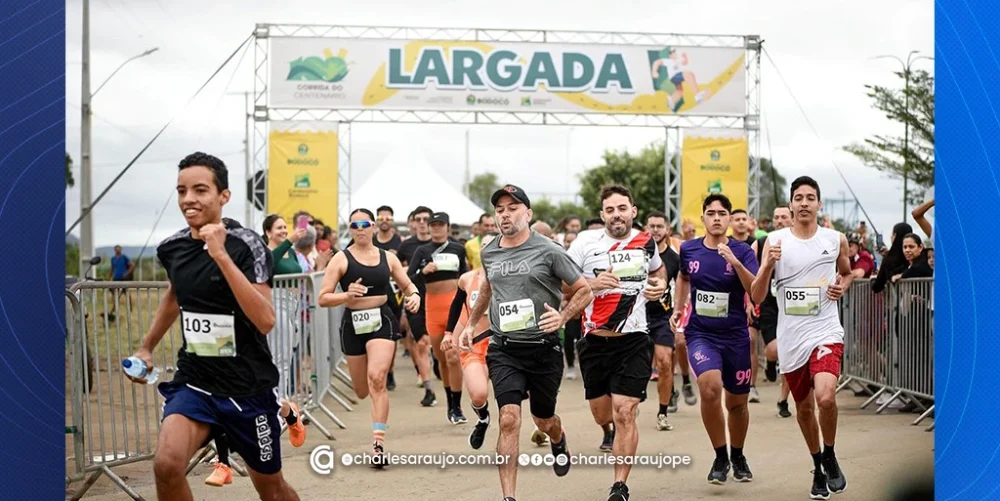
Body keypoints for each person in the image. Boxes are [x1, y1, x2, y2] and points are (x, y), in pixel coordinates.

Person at [125, 152, 300, 501]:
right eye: (181, 191)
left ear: (224, 196)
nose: (189, 199)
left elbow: (265, 319)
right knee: (167, 465)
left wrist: (219, 254)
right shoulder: (172, 248)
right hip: (196, 381)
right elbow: (174, 298)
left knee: (272, 489)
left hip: (247, 387)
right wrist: (146, 347)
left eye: (200, 190)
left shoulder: (246, 245)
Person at [459, 184, 593, 501]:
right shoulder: (490, 250)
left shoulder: (549, 250)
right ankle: (509, 497)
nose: (505, 215)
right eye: (500, 210)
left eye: (513, 208)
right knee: (509, 419)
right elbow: (488, 289)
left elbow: (584, 289)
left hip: (544, 350)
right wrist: (470, 322)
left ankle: (558, 439)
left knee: (544, 419)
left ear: (528, 214)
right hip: (505, 349)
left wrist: (562, 318)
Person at [751, 176, 854, 500]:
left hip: (825, 330)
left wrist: (843, 285)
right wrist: (767, 263)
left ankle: (830, 453)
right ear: (791, 204)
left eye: (811, 197)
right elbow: (756, 293)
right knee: (805, 409)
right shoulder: (775, 241)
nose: (805, 202)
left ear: (819, 204)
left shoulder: (835, 239)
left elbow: (847, 271)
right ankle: (817, 465)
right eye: (799, 197)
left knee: (825, 397)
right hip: (792, 338)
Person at [566, 185, 666, 501]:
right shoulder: (584, 243)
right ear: (602, 215)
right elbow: (561, 286)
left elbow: (659, 271)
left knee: (625, 411)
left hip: (634, 339)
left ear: (633, 211)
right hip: (595, 339)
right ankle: (606, 430)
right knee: (602, 413)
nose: (616, 215)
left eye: (622, 208)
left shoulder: (645, 242)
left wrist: (659, 286)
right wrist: (592, 285)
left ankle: (619, 485)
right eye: (610, 210)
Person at [317, 208, 421, 466]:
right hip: (352, 324)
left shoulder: (388, 258)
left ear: (373, 226)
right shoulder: (341, 259)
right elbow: (322, 297)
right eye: (354, 225)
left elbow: (408, 285)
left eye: (364, 224)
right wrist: (345, 296)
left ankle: (377, 445)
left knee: (377, 379)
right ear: (350, 230)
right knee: (362, 390)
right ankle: (374, 417)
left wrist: (414, 296)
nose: (360, 229)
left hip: (382, 320)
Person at [671, 193, 759, 485]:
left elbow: (755, 291)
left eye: (723, 213)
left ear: (730, 219)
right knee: (709, 388)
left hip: (735, 336)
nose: (717, 217)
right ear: (703, 218)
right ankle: (720, 456)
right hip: (701, 333)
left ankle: (738, 454)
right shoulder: (689, 249)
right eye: (711, 213)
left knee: (737, 404)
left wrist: (735, 262)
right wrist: (678, 307)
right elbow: (684, 277)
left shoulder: (743, 250)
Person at [408, 212, 469, 424]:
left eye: (440, 224)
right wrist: (423, 271)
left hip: (453, 306)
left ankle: (458, 407)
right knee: (442, 359)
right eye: (433, 225)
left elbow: (466, 277)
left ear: (448, 227)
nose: (435, 228)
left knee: (453, 357)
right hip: (432, 309)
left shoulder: (458, 248)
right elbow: (408, 280)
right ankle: (450, 402)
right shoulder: (422, 251)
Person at [442, 233, 498, 450]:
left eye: (492, 244)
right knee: (478, 394)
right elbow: (456, 307)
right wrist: (448, 333)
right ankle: (483, 418)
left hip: (503, 344)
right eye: (484, 245)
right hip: (475, 344)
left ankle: (506, 445)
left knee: (510, 403)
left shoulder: (511, 276)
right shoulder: (467, 279)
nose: (487, 249)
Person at [751, 206, 795, 417]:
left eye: (783, 217)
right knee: (775, 349)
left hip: (795, 305)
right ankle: (770, 362)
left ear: (792, 219)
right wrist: (749, 302)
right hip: (769, 304)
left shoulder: (801, 244)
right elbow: (749, 276)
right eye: (776, 217)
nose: (779, 221)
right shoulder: (760, 244)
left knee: (788, 354)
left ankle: (783, 400)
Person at [644, 210, 681, 431]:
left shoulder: (675, 259)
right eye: (651, 226)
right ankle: (633, 400)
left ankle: (662, 412)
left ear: (667, 229)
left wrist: (677, 313)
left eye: (660, 226)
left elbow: (682, 288)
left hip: (663, 317)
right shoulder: (638, 254)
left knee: (665, 362)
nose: (655, 230)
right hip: (637, 316)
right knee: (639, 365)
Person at [398, 206, 436, 405]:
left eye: (425, 219)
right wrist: (421, 272)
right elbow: (399, 273)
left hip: (439, 301)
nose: (421, 222)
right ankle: (428, 388)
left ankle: (436, 363)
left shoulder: (443, 244)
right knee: (420, 343)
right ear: (413, 222)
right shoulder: (408, 246)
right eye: (418, 219)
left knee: (436, 346)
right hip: (417, 300)